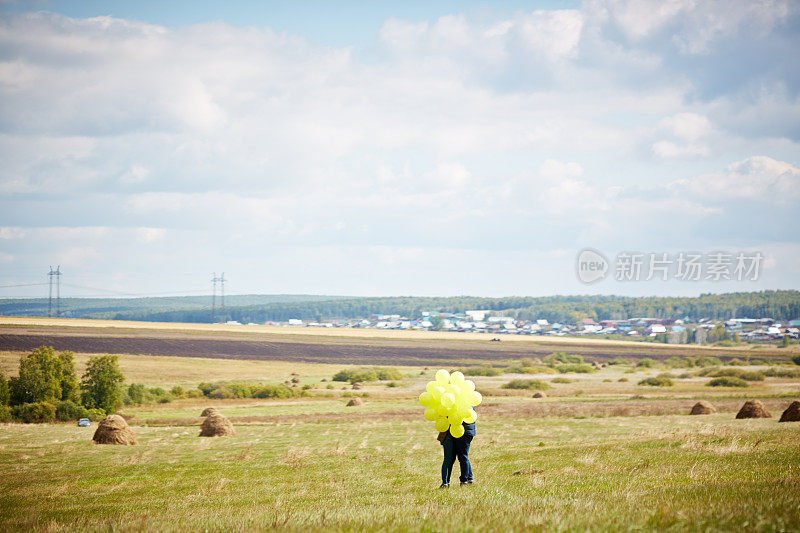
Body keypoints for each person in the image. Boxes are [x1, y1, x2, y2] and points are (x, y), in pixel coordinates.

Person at [438, 417, 476, 488]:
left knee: (460, 457)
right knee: (463, 456)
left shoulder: (461, 408)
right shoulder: (469, 407)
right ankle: (468, 479)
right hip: (461, 432)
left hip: (461, 432)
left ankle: (463, 481)